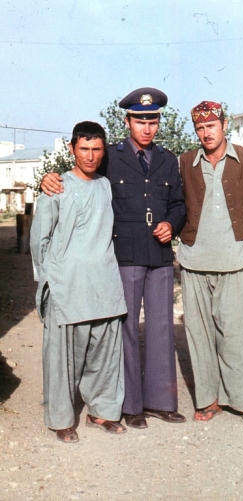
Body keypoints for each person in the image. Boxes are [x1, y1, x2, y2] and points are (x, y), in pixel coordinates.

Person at [40, 88, 187, 430]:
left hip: (160, 254)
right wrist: (52, 178)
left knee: (162, 327)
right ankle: (131, 405)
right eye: (140, 120)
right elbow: (83, 167)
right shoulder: (112, 155)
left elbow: (178, 203)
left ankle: (161, 402)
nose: (147, 128)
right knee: (125, 331)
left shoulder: (168, 158)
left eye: (152, 120)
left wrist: (172, 223)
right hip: (124, 253)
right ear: (127, 121)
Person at [31, 121, 127, 443]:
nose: (90, 156)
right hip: (67, 285)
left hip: (103, 282)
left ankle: (102, 411)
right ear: (72, 149)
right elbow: (39, 239)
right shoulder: (57, 186)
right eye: (84, 149)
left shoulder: (105, 185)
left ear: (103, 151)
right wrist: (47, 283)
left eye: (96, 149)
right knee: (62, 357)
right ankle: (61, 419)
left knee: (104, 353)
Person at [177, 101, 243, 426]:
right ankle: (209, 399)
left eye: (211, 126)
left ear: (224, 125)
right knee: (200, 335)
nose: (206, 133)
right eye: (200, 128)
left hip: (235, 260)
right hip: (194, 260)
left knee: (238, 334)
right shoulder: (185, 162)